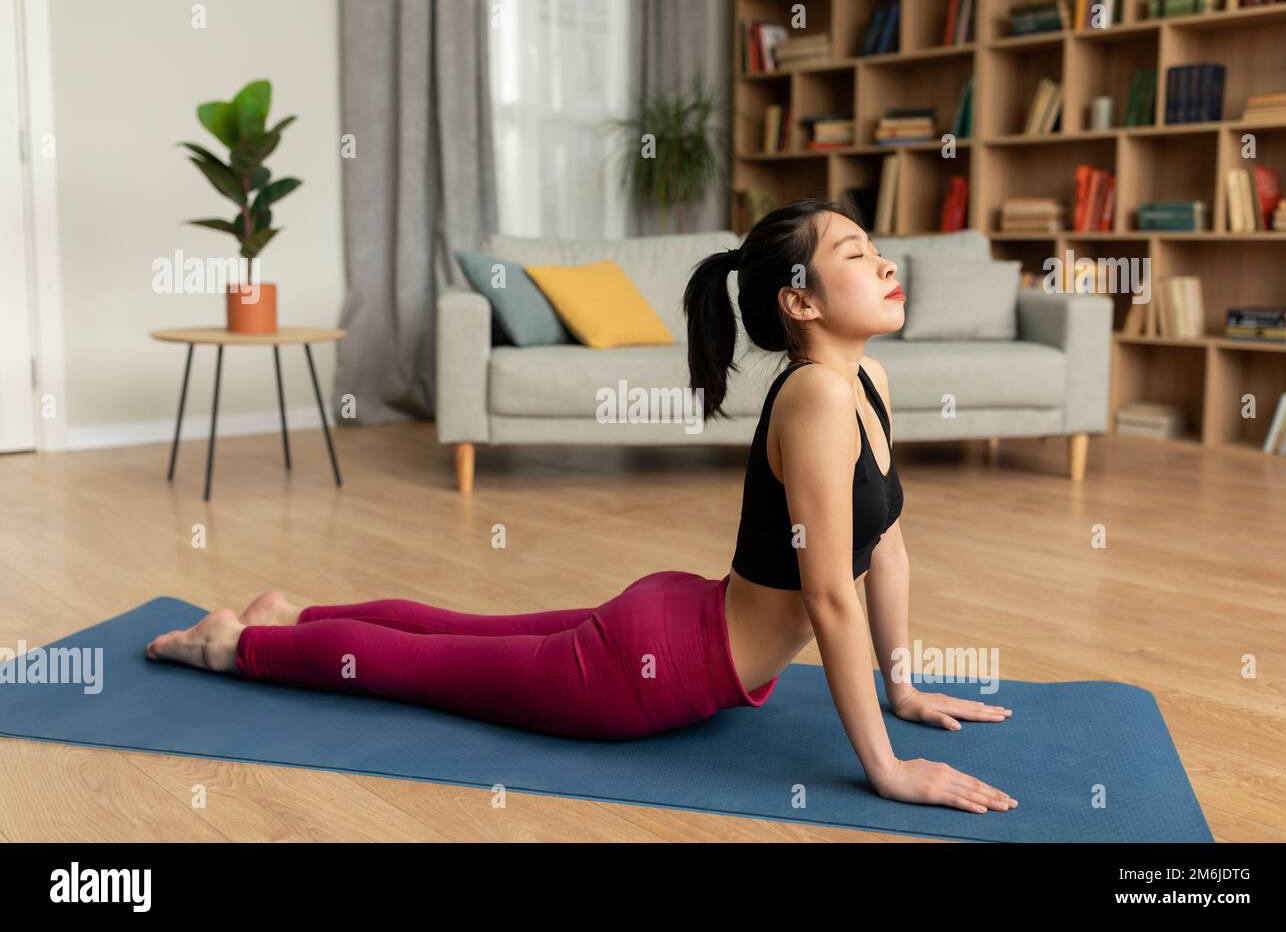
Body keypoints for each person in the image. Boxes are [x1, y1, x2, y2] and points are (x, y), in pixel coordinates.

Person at [146, 196, 1017, 815]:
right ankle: (238, 644)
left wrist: (901, 689)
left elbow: (887, 545)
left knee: (458, 633)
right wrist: (888, 769)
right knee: (426, 669)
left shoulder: (868, 378)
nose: (885, 262)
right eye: (857, 254)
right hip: (657, 666)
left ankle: (295, 612)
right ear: (800, 300)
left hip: (679, 620)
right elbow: (831, 595)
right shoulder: (817, 400)